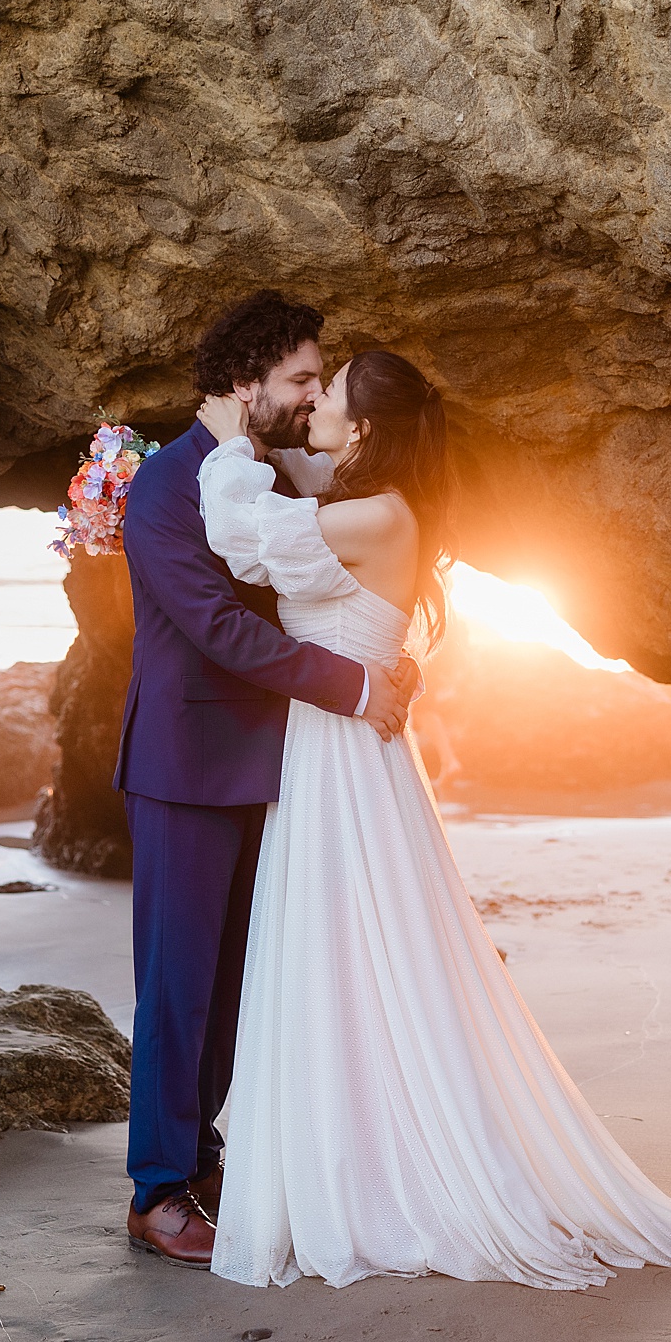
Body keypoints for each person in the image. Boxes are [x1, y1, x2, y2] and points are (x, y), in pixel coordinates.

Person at [192, 347, 671, 1288]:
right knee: (350, 950)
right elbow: (306, 481)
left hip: (346, 756)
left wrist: (229, 442)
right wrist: (271, 440)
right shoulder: (373, 499)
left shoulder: (371, 514)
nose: (315, 401)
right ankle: (356, 1152)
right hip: (343, 745)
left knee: (347, 946)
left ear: (362, 429)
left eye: (334, 392)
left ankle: (369, 1176)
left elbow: (242, 532)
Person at [114, 291, 418, 1267]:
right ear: (245, 380)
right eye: (295, 378)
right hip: (185, 762)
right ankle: (157, 1189)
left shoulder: (269, 474)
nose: (304, 396)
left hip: (269, 763)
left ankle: (200, 1155)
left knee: (231, 982)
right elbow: (220, 628)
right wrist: (353, 681)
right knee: (175, 984)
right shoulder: (165, 487)